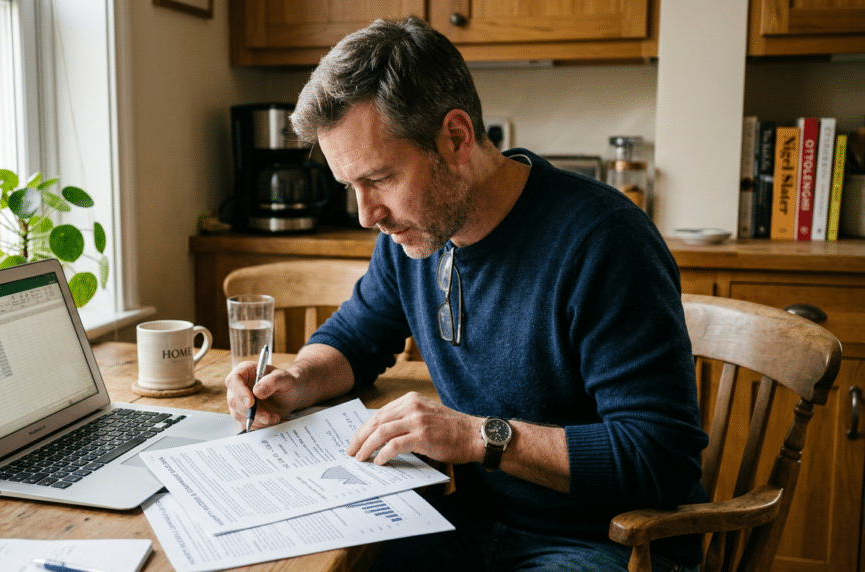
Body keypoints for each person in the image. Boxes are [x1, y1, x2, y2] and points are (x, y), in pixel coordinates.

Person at [224, 16, 708, 572]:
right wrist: (298, 380)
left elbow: (660, 455)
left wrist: (477, 436)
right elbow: (358, 337)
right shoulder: (415, 233)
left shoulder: (604, 241)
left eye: (379, 179)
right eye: (350, 187)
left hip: (607, 542)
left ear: (456, 138)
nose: (366, 215)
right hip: (467, 523)